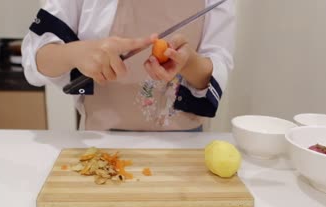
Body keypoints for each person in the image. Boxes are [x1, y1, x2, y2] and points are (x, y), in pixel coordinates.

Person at [22, 0, 235, 131]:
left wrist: (188, 63)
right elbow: (35, 61)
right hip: (101, 139)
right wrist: (74, 53)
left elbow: (217, 64)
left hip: (184, 147)